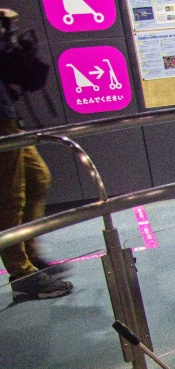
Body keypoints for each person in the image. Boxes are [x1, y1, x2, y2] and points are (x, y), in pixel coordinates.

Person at [0, 8, 71, 300]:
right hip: (1, 120)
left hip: (8, 115)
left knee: (37, 178)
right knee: (10, 195)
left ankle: (30, 253)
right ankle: (22, 273)